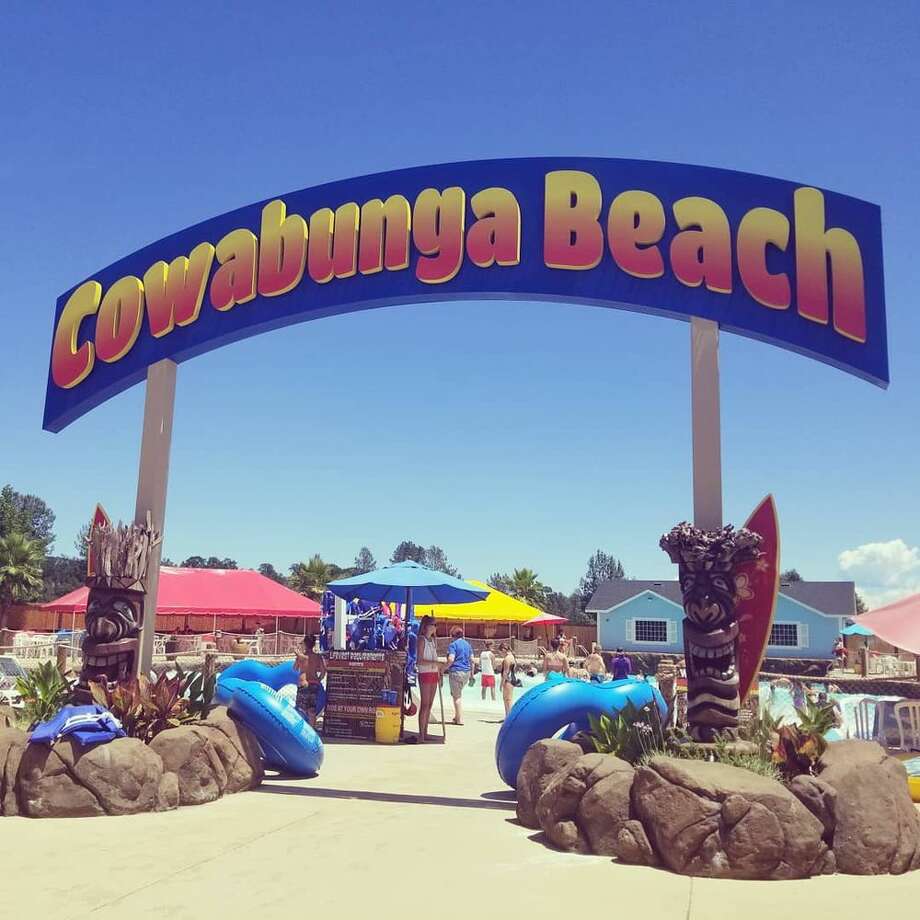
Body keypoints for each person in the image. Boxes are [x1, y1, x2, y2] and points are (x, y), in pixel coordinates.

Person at [416, 615, 440, 742]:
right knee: (425, 705)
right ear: (427, 626)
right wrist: (435, 663)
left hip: (433, 673)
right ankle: (421, 734)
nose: (435, 627)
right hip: (425, 672)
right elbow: (419, 660)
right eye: (433, 625)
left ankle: (425, 732)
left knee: (429, 705)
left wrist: (438, 669)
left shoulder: (432, 641)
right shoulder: (421, 640)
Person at [294, 634, 327, 728]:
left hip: (303, 682)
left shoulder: (302, 656)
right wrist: (318, 679)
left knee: (300, 709)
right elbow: (323, 671)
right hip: (314, 683)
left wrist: (298, 658)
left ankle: (299, 732)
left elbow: (295, 668)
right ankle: (312, 731)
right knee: (312, 710)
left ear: (305, 644)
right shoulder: (318, 657)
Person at [445, 626, 474, 725]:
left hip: (456, 672)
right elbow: (472, 660)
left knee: (456, 697)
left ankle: (459, 719)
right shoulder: (468, 645)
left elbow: (451, 659)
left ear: (453, 635)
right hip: (466, 673)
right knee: (459, 695)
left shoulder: (453, 645)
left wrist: (443, 668)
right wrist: (472, 675)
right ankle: (456, 716)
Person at [498, 641, 518, 718]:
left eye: (500, 652)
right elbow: (514, 669)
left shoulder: (507, 659)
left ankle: (509, 717)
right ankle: (508, 716)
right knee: (508, 699)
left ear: (503, 650)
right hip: (512, 679)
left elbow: (505, 672)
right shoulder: (512, 656)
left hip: (508, 680)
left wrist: (501, 684)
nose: (500, 654)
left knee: (507, 699)